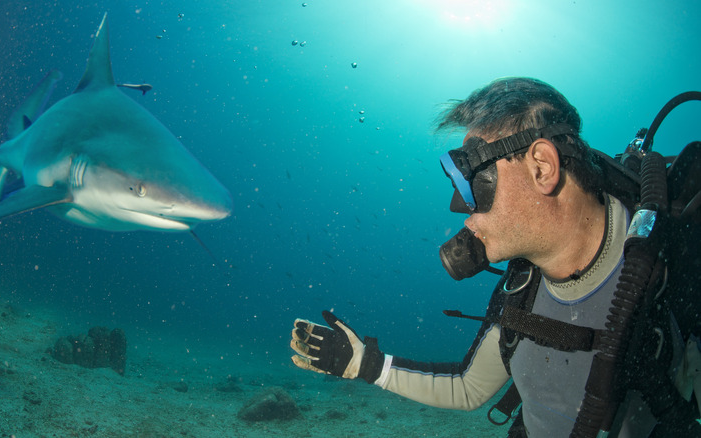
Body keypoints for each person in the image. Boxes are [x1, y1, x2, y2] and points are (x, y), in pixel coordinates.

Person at [289, 78, 701, 437]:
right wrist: (363, 363)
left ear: (541, 166)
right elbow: (469, 387)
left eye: (471, 176)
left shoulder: (677, 260)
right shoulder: (520, 288)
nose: (459, 205)